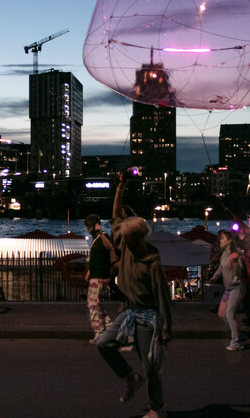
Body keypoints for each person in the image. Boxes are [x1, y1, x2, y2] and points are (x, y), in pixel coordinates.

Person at [95, 171, 172, 418]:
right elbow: (116, 216)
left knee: (150, 367)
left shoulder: (151, 261)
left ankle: (156, 409)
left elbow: (163, 296)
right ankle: (129, 377)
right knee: (103, 343)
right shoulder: (127, 244)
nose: (121, 241)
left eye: (126, 238)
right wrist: (120, 187)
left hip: (149, 317)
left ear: (137, 238)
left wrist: (166, 329)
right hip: (130, 311)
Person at [209, 229, 245, 350]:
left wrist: (235, 277)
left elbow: (239, 272)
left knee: (229, 315)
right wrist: (214, 277)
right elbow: (220, 268)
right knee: (222, 315)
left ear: (229, 240)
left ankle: (235, 342)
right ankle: (238, 336)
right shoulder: (224, 253)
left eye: (223, 238)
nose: (220, 240)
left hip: (236, 289)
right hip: (228, 289)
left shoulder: (235, 255)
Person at [84, 213, 114, 342]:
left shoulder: (102, 236)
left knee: (93, 305)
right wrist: (89, 271)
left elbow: (109, 247)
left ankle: (100, 333)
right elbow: (96, 257)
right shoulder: (95, 239)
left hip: (99, 276)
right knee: (97, 304)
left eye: (88, 227)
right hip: (96, 275)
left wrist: (100, 232)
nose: (87, 229)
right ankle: (111, 328)